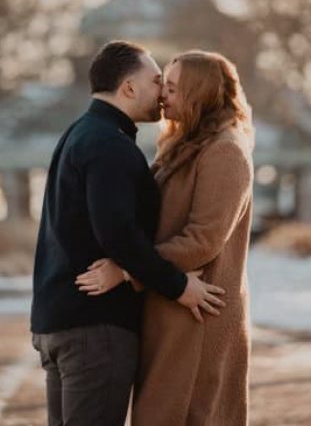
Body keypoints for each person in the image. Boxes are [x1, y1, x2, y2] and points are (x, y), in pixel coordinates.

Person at [30, 40, 225, 426]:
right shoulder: (110, 145)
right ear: (129, 88)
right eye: (157, 81)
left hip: (58, 321)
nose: (163, 94)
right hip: (94, 328)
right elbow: (117, 233)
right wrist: (177, 286)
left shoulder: (79, 133)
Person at [76, 50, 255, 425]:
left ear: (198, 94)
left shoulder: (226, 151)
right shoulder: (183, 147)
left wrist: (127, 269)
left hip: (196, 316)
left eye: (171, 88)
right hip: (170, 307)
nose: (162, 96)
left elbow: (203, 240)